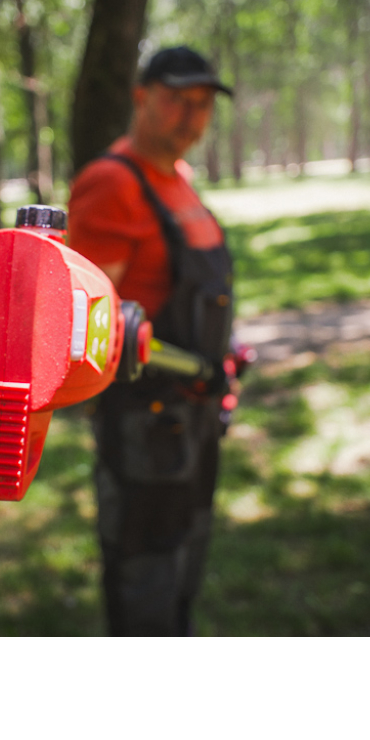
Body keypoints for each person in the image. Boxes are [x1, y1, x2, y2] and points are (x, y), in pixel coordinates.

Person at [68, 46, 235, 636]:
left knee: (186, 556)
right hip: (145, 429)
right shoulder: (112, 184)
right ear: (141, 98)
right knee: (147, 576)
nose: (191, 115)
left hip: (197, 416)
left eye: (203, 104)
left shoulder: (178, 179)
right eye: (177, 99)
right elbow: (83, 329)